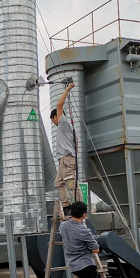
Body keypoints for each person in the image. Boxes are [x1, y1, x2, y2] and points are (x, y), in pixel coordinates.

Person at [51, 82, 77, 217]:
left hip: (67, 158)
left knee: (71, 184)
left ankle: (78, 207)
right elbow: (77, 143)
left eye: (53, 120)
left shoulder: (63, 122)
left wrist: (67, 89)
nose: (53, 123)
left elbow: (59, 105)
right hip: (63, 159)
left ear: (57, 117)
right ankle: (66, 206)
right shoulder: (67, 128)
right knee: (58, 183)